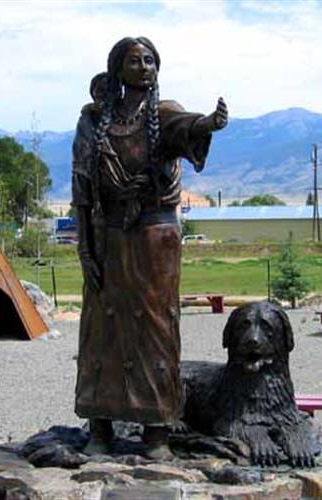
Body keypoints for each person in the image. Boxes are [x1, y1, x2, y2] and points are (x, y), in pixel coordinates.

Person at [72, 36, 228, 459]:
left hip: (155, 239)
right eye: (134, 61)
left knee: (157, 329)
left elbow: (186, 128)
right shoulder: (93, 121)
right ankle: (100, 429)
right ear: (117, 69)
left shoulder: (164, 114)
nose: (144, 67)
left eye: (149, 60)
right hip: (108, 239)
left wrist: (208, 124)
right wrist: (85, 251)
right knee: (101, 332)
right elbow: (83, 192)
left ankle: (156, 431)